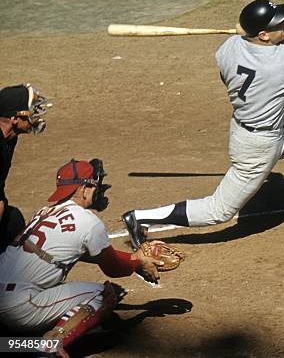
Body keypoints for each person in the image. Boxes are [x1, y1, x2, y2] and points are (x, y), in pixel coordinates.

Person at [122, 0, 284, 251]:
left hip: (272, 127)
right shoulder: (282, 62)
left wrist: (245, 34)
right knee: (219, 211)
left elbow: (231, 66)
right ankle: (140, 217)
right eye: (279, 24)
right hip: (258, 145)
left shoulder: (228, 49)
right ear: (263, 35)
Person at [0, 159, 162, 357]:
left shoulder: (44, 212)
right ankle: (45, 349)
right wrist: (138, 263)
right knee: (103, 295)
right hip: (18, 307)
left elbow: (84, 252)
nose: (98, 189)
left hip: (5, 297)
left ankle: (9, 344)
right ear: (84, 188)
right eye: (94, 185)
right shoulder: (88, 222)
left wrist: (133, 258)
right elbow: (113, 268)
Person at [0, 83, 51, 253]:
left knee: (13, 221)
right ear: (14, 119)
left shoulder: (9, 138)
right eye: (30, 111)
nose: (35, 115)